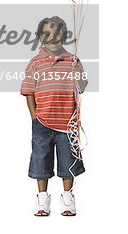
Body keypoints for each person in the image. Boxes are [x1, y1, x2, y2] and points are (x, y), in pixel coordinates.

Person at [20, 16, 88, 216]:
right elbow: (29, 91)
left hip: (67, 121)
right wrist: (34, 117)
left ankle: (68, 197)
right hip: (42, 121)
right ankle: (42, 198)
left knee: (68, 159)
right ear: (41, 37)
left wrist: (77, 74)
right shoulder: (35, 63)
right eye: (47, 34)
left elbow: (82, 87)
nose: (52, 37)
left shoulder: (72, 60)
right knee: (41, 158)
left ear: (64, 36)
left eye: (57, 33)